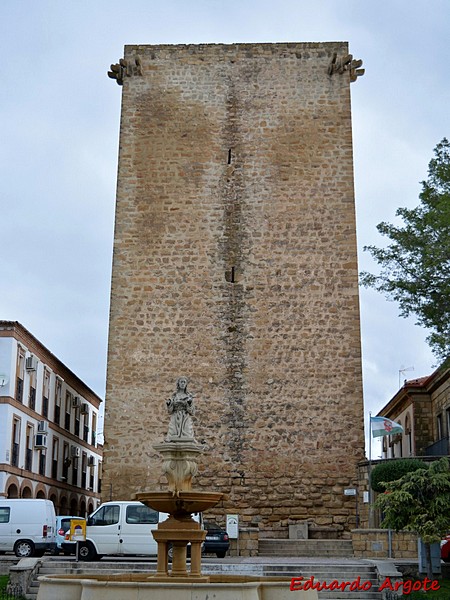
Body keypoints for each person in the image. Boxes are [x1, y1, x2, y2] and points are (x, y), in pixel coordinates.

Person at [165, 377, 196, 441]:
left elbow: (192, 412)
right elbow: (170, 411)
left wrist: (189, 404)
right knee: (173, 432)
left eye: (184, 382)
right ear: (178, 384)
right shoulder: (174, 395)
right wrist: (169, 404)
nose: (182, 383)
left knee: (187, 433)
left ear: (186, 384)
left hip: (185, 417)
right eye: (181, 382)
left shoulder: (189, 396)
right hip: (175, 417)